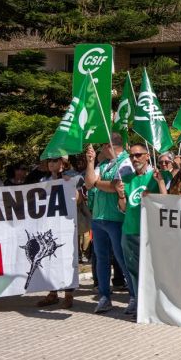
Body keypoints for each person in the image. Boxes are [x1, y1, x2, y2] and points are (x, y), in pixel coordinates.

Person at [113, 143, 168, 316]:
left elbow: (166, 201)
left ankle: (157, 306)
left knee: (155, 270)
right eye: (132, 156)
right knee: (134, 271)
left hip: (151, 233)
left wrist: (159, 183)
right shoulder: (127, 179)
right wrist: (121, 195)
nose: (135, 159)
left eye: (138, 155)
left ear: (147, 156)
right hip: (129, 231)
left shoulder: (157, 176)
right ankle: (141, 306)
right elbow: (123, 207)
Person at [83, 133, 135, 314]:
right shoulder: (103, 164)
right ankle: (105, 297)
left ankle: (134, 296)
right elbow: (89, 183)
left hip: (116, 219)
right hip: (99, 218)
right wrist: (90, 162)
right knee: (102, 259)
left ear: (109, 146)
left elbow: (117, 185)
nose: (100, 150)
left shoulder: (127, 162)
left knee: (122, 259)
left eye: (103, 146)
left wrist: (98, 183)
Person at [33, 156, 78, 310]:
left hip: (66, 225)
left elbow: (78, 199)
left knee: (67, 258)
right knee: (49, 258)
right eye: (49, 161)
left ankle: (68, 295)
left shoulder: (72, 176)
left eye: (55, 160)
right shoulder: (43, 181)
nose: (51, 163)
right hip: (48, 225)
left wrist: (70, 183)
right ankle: (52, 293)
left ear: (63, 163)